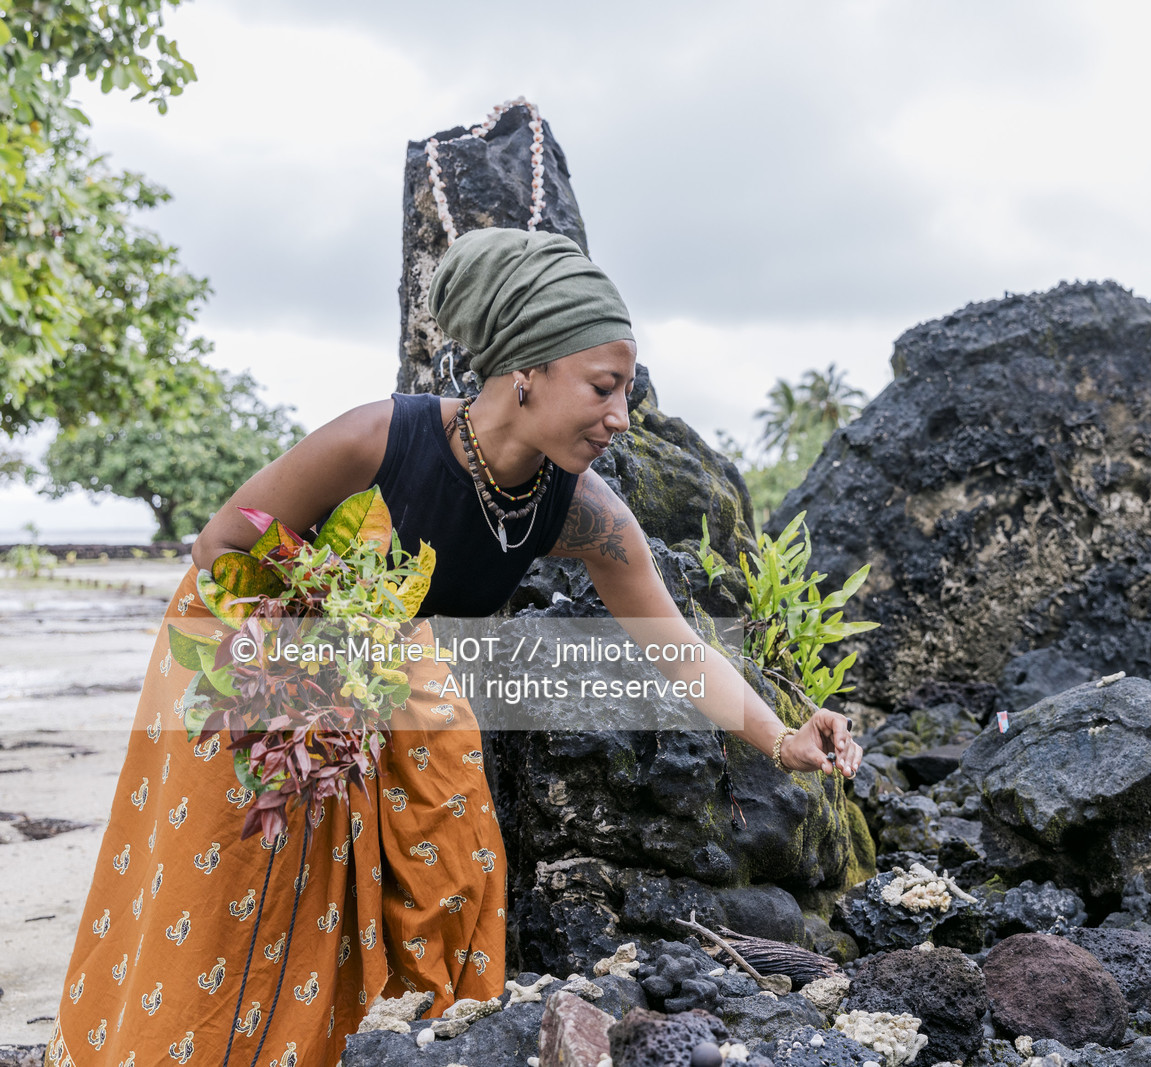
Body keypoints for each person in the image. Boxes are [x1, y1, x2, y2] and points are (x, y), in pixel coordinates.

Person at [44, 227, 863, 1067]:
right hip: (254, 659)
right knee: (236, 898)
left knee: (456, 855)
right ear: (527, 372)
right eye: (604, 387)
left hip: (390, 680)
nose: (621, 417)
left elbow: (675, 643)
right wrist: (319, 661)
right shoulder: (377, 441)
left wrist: (784, 739)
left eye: (626, 393)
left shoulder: (583, 512)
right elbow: (221, 547)